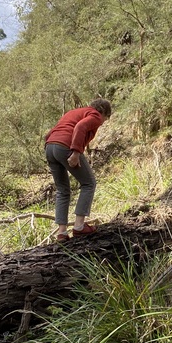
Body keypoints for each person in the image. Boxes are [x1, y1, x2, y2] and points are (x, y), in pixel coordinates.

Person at [45, 98, 112, 242]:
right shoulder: (94, 115)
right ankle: (79, 226)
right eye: (105, 118)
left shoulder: (74, 112)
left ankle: (62, 233)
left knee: (63, 190)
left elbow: (50, 133)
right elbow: (80, 127)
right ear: (103, 112)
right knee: (89, 183)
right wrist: (75, 152)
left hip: (50, 147)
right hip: (65, 146)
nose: (103, 122)